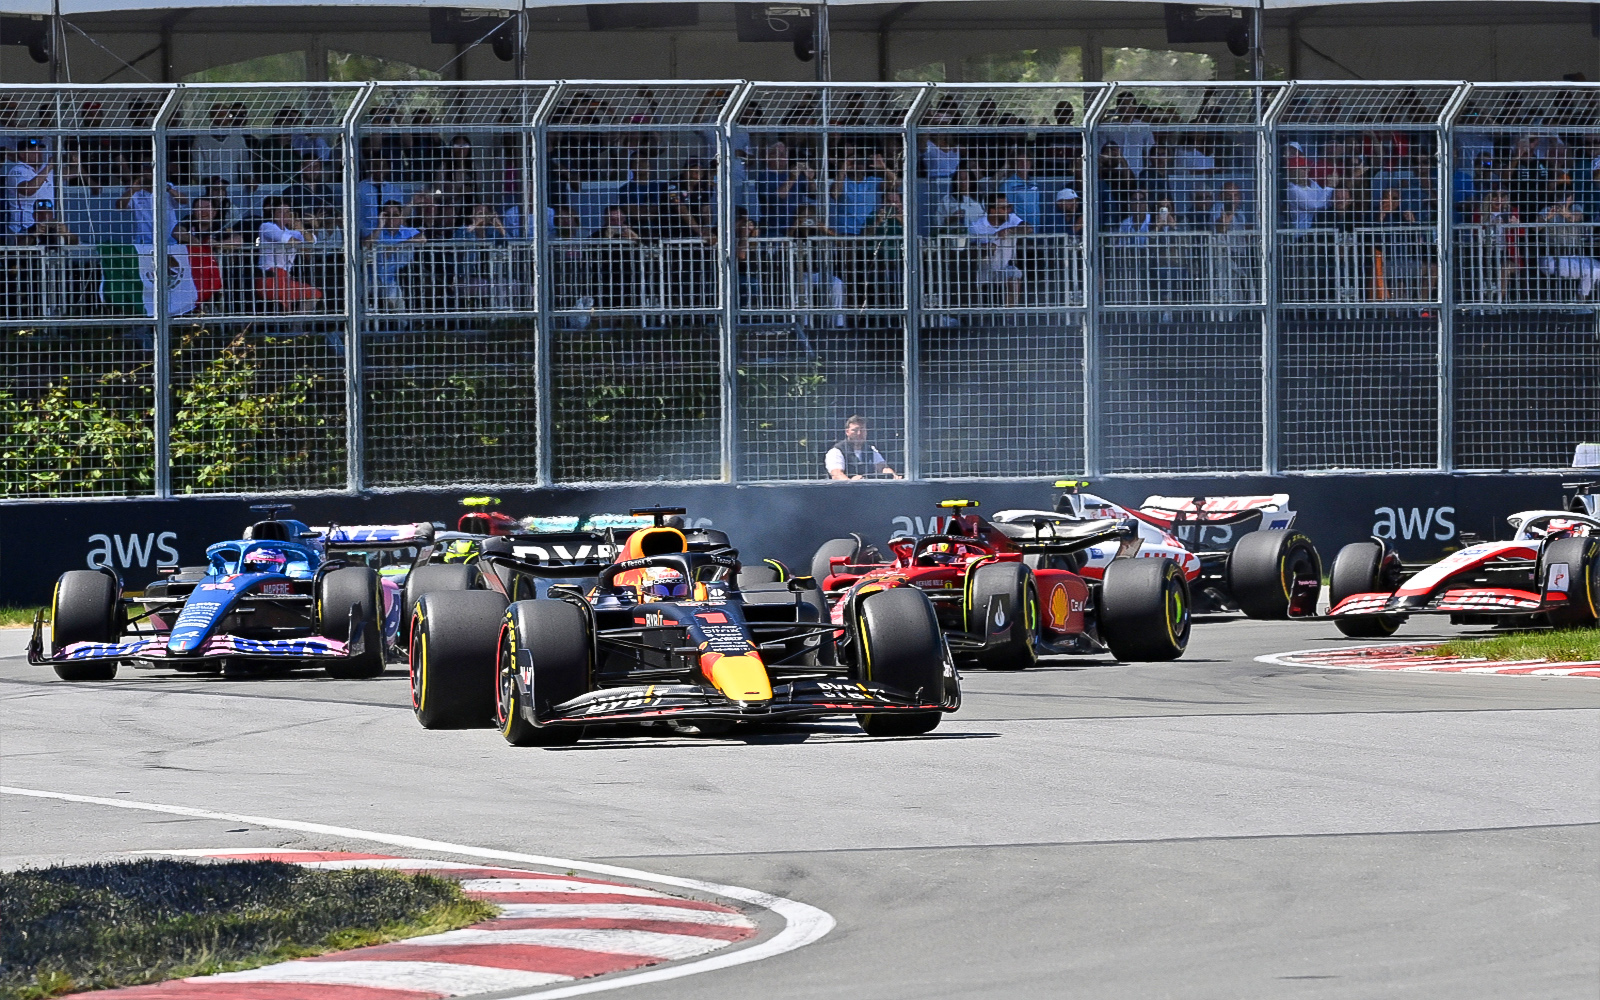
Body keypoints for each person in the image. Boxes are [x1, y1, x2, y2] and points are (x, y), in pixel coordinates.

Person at [257, 196, 322, 310]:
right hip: (270, 277)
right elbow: (290, 241)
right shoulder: (267, 226)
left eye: (287, 211)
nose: (285, 214)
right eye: (281, 211)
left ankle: (296, 325)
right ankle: (297, 326)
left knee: (314, 294)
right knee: (312, 293)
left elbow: (311, 242)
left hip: (285, 277)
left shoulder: (291, 232)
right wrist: (303, 244)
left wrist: (302, 229)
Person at [970, 193, 1030, 305]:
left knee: (1014, 275)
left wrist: (1010, 230)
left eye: (1009, 206)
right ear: (992, 210)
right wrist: (985, 249)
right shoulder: (976, 226)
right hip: (982, 272)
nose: (1008, 210)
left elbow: (1028, 228)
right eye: (1003, 208)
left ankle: (1010, 317)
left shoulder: (1011, 218)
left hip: (1004, 268)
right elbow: (970, 252)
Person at [5, 138, 55, 240]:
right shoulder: (17, 170)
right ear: (23, 154)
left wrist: (74, 161)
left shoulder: (45, 169)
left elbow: (72, 173)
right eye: (34, 150)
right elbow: (27, 190)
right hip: (23, 229)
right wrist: (49, 167)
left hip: (46, 228)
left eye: (39, 150)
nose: (39, 153)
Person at [826, 415, 900, 480]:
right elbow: (836, 474)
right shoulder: (836, 451)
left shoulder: (871, 450)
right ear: (847, 432)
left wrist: (893, 476)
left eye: (862, 430)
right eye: (855, 430)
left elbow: (883, 468)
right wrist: (850, 482)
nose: (859, 433)